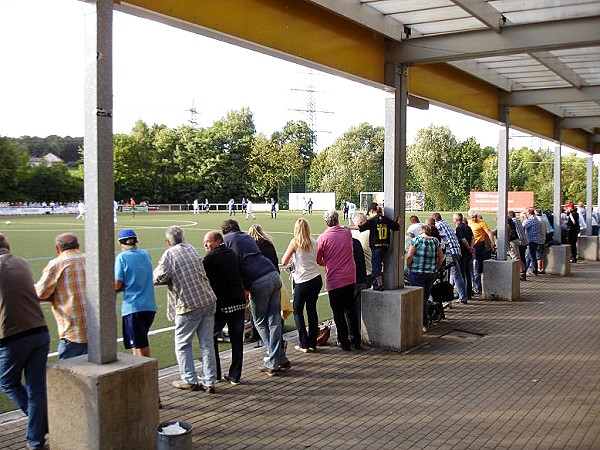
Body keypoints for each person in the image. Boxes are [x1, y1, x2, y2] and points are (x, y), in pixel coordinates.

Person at [221, 219, 290, 376]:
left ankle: (273, 360)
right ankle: (281, 358)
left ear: (224, 231)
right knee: (274, 321)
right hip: (273, 275)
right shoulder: (246, 236)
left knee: (259, 322)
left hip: (258, 281)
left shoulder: (227, 240)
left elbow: (232, 265)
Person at [0, 233, 50, 450]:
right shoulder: (22, 262)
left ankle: (40, 425)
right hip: (39, 329)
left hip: (13, 334)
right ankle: (35, 438)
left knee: (7, 381)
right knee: (36, 389)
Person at [153, 226, 218, 393]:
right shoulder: (191, 248)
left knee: (182, 344)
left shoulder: (169, 254)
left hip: (188, 304)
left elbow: (159, 277)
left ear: (168, 242)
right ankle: (210, 381)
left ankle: (189, 379)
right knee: (207, 344)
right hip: (208, 299)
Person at [203, 230, 247, 385]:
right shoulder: (232, 254)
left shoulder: (210, 258)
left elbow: (203, 278)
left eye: (208, 242)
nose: (205, 245)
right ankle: (235, 375)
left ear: (217, 241)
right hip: (239, 301)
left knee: (210, 337)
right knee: (237, 340)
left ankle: (215, 373)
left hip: (223, 304)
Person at [35, 233, 88, 359]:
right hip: (98, 328)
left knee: (70, 373)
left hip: (73, 330)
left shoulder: (56, 264)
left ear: (57, 249)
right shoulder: (92, 259)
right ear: (78, 246)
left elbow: (40, 293)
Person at [317, 209, 360, 351]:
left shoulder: (322, 238)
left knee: (338, 312)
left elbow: (318, 259)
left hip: (334, 279)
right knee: (350, 310)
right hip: (349, 276)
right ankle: (356, 340)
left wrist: (326, 262)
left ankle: (343, 340)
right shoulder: (346, 233)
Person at [281, 218, 323, 353]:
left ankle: (304, 343)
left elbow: (284, 260)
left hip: (302, 280)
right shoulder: (314, 242)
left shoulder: (295, 242)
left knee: (298, 311)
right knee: (312, 310)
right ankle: (312, 342)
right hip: (315, 278)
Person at [114, 229, 157, 358]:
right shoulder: (145, 254)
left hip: (133, 307)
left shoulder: (122, 257)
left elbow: (118, 283)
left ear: (120, 243)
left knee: (139, 346)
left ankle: (146, 376)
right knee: (137, 344)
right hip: (149, 306)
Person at [406, 224, 444, 332]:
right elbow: (441, 257)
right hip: (431, 273)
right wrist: (436, 268)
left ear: (421, 231)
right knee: (425, 297)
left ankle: (422, 322)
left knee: (418, 298)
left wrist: (408, 266)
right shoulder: (435, 241)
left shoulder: (416, 240)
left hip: (417, 272)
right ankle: (425, 320)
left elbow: (409, 256)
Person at [357, 203, 400, 291]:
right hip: (385, 247)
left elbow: (361, 228)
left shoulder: (373, 221)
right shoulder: (385, 219)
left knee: (376, 266)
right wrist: (399, 220)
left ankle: (379, 284)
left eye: (369, 214)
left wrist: (347, 227)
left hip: (376, 247)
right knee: (380, 265)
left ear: (372, 211)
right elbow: (396, 227)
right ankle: (376, 282)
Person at [433, 213, 468, 304]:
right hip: (457, 250)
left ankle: (462, 297)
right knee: (455, 274)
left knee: (456, 275)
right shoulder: (446, 223)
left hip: (450, 252)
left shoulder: (437, 225)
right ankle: (455, 295)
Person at [467, 209, 495, 295]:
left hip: (479, 246)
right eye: (472, 217)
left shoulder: (482, 223)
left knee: (477, 266)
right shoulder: (468, 223)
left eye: (475, 217)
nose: (474, 219)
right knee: (471, 267)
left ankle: (477, 287)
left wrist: (492, 243)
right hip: (470, 246)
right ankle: (474, 286)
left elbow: (489, 233)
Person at [453, 212, 474, 298]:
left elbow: (463, 240)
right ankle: (469, 292)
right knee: (468, 272)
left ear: (456, 219)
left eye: (453, 219)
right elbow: (473, 237)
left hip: (463, 253)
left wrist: (468, 247)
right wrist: (472, 247)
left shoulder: (459, 228)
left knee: (462, 273)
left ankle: (463, 293)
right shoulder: (468, 227)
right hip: (469, 253)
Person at [351, 213, 372, 287]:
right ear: (361, 223)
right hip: (369, 271)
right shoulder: (369, 233)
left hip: (355, 273)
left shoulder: (350, 233)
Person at [523, 208, 542, 276]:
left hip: (532, 240)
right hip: (536, 240)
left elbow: (523, 227)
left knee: (529, 256)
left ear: (528, 213)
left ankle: (524, 271)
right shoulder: (535, 219)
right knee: (532, 256)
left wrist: (524, 219)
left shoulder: (530, 220)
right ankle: (534, 270)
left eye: (526, 213)